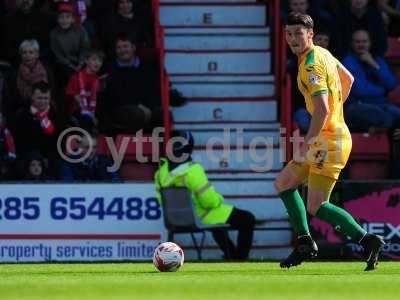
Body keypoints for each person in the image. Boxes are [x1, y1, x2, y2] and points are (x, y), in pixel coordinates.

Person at [277, 12, 384, 271]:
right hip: (328, 136)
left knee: (317, 205)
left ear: (310, 34)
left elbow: (322, 110)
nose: (292, 39)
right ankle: (305, 242)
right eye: (288, 34)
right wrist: (336, 111)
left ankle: (368, 240)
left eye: (298, 34)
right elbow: (349, 79)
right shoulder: (322, 53)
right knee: (284, 183)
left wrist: (307, 143)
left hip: (329, 141)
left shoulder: (311, 65)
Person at [154, 130, 256, 260]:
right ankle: (240, 258)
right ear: (189, 148)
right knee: (248, 219)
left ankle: (231, 255)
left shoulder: (160, 173)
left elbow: (160, 201)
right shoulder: (193, 170)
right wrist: (219, 199)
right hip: (201, 216)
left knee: (219, 226)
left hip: (175, 219)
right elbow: (209, 202)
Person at [97, 34, 162, 134]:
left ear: (133, 48)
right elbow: (114, 96)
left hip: (145, 106)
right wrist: (138, 105)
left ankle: (161, 146)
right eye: (119, 48)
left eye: (125, 46)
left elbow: (154, 90)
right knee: (136, 114)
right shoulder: (109, 69)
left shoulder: (147, 67)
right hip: (120, 108)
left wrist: (148, 106)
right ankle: (135, 146)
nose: (123, 50)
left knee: (161, 113)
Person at [343, 29, 398, 131]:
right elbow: (360, 91)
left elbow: (392, 85)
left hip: (381, 104)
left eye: (364, 41)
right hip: (357, 105)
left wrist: (375, 66)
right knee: (384, 117)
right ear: (352, 44)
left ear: (370, 43)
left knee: (396, 114)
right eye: (358, 42)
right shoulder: (347, 63)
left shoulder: (377, 60)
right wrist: (382, 90)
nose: (361, 45)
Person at [3, 39, 54, 129]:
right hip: (22, 111)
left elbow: (53, 92)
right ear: (21, 55)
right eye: (24, 52)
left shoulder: (47, 71)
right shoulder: (13, 74)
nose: (27, 56)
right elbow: (10, 98)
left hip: (46, 108)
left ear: (37, 54)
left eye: (31, 52)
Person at [65, 49, 105, 132]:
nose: (97, 63)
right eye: (94, 59)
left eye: (100, 61)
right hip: (77, 112)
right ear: (86, 61)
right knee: (87, 121)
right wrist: (91, 116)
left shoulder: (98, 80)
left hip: (93, 112)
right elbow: (77, 99)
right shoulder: (76, 78)